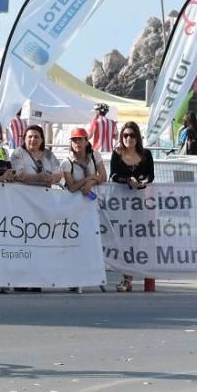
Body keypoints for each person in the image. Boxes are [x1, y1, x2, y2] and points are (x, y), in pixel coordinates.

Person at [109, 121, 155, 292]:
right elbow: (113, 175)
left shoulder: (146, 155)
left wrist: (140, 182)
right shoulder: (117, 153)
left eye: (132, 135)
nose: (128, 138)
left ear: (137, 137)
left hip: (140, 203)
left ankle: (130, 277)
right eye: (125, 135)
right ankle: (125, 277)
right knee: (122, 240)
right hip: (120, 204)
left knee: (135, 240)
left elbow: (151, 176)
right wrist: (128, 180)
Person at [62, 127, 106, 197]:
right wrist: (90, 178)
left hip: (94, 197)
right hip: (73, 201)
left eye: (80, 139)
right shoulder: (67, 162)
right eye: (74, 140)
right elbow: (71, 188)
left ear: (86, 142)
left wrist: (91, 182)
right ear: (71, 143)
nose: (77, 142)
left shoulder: (95, 155)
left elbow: (103, 177)